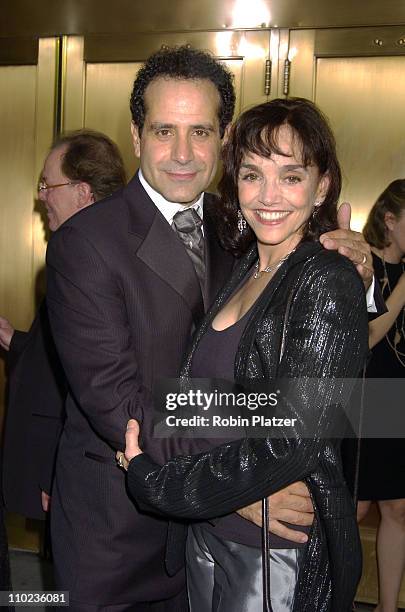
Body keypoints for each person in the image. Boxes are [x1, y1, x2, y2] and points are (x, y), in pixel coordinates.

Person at [46, 47, 375, 611]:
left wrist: (353, 269)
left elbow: (320, 392)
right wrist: (236, 489)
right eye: (163, 130)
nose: (181, 154)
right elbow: (120, 406)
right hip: (120, 531)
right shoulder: (86, 244)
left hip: (218, 541)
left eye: (200, 131)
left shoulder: (244, 227)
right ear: (135, 134)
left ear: (223, 138)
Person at [120, 98, 370, 612]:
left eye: (291, 176)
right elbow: (226, 399)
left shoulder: (324, 278)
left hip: (272, 555)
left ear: (322, 185)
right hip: (212, 531)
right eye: (253, 175)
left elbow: (295, 440)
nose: (269, 196)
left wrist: (161, 482)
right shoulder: (244, 267)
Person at [1, 129, 126, 521]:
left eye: (47, 184)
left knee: (67, 580)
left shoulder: (86, 259)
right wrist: (13, 339)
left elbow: (88, 385)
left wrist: (54, 470)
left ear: (82, 192)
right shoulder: (89, 249)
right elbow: (61, 355)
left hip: (75, 464)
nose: (41, 196)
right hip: (68, 465)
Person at [355, 180, 405, 612]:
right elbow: (368, 336)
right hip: (362, 397)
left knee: (397, 508)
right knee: (353, 509)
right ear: (390, 221)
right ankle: (340, 598)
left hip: (399, 399)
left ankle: (388, 607)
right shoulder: (362, 264)